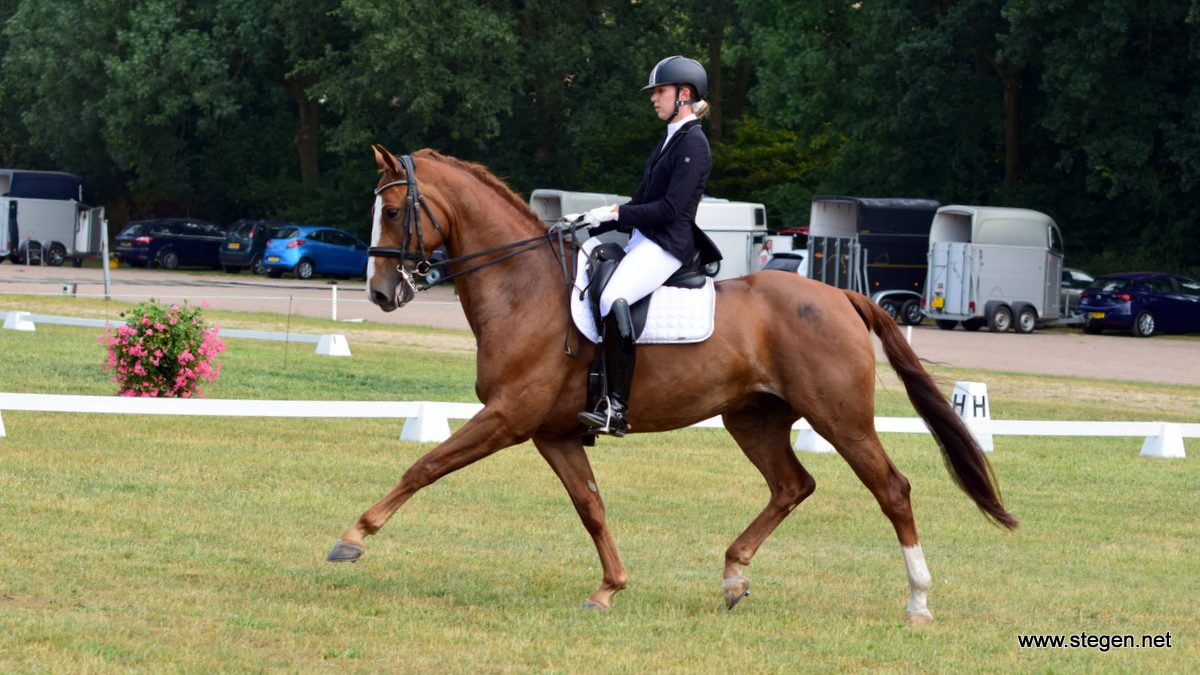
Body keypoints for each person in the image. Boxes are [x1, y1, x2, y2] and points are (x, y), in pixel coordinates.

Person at [576, 55, 721, 437]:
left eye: (660, 91)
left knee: (613, 298)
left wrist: (619, 214)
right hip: (645, 239)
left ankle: (617, 408)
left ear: (684, 95)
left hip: (668, 245)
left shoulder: (695, 143)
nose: (653, 98)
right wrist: (601, 217)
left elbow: (672, 208)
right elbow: (642, 197)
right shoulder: (670, 138)